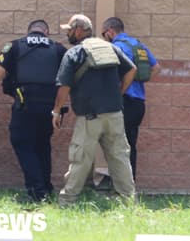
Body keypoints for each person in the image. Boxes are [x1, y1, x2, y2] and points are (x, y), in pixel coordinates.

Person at [53, 14, 136, 206]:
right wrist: (119, 93)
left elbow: (64, 86)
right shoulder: (111, 48)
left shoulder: (74, 53)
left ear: (80, 30)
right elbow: (131, 70)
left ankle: (68, 201)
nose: (68, 34)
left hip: (90, 116)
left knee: (80, 158)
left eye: (70, 30)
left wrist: (56, 111)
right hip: (115, 114)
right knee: (120, 158)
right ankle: (128, 202)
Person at [0, 20, 65, 201]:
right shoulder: (58, 49)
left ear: (28, 32)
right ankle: (45, 188)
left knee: (23, 144)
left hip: (25, 106)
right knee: (42, 145)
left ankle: (37, 192)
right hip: (50, 108)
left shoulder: (14, 46)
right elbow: (68, 78)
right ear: (46, 32)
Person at [100, 17, 159, 181]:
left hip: (124, 102)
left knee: (117, 146)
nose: (104, 37)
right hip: (139, 103)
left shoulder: (116, 47)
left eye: (104, 34)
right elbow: (156, 67)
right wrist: (140, 82)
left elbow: (128, 71)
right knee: (130, 145)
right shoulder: (138, 45)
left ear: (110, 31)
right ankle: (129, 182)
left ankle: (121, 185)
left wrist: (120, 92)